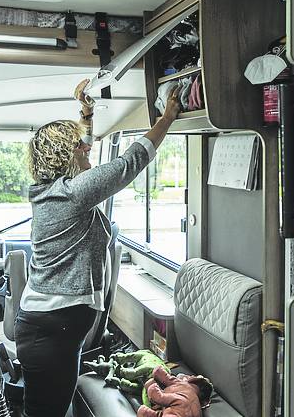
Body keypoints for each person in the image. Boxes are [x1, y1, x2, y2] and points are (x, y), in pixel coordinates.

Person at [15, 79, 182, 417]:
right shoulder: (73, 193)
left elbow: (85, 156)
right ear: (65, 154)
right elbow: (127, 164)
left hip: (52, 328)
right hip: (51, 330)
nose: (87, 147)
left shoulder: (57, 191)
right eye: (79, 145)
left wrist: (87, 115)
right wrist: (166, 119)